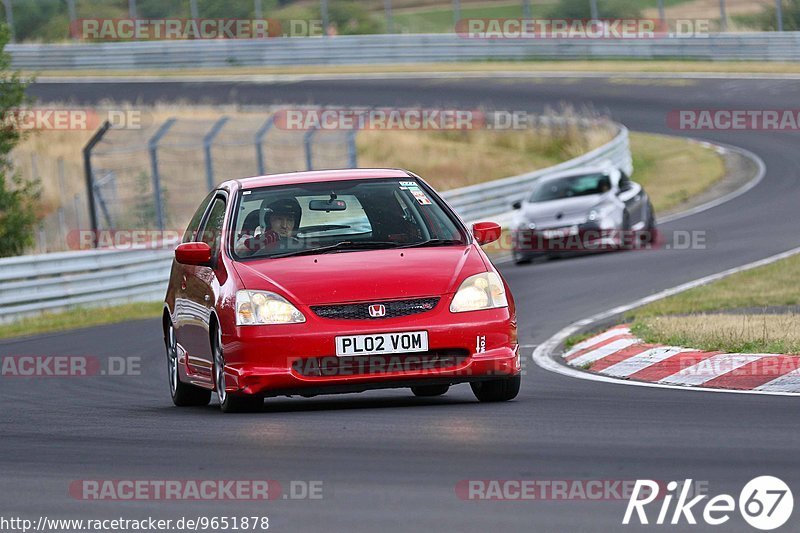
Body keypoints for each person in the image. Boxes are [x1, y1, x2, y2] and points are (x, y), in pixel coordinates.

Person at [235, 197, 302, 256]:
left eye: (290, 220)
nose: (284, 225)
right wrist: (257, 243)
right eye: (279, 219)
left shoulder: (302, 245)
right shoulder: (250, 240)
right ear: (267, 221)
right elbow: (238, 251)